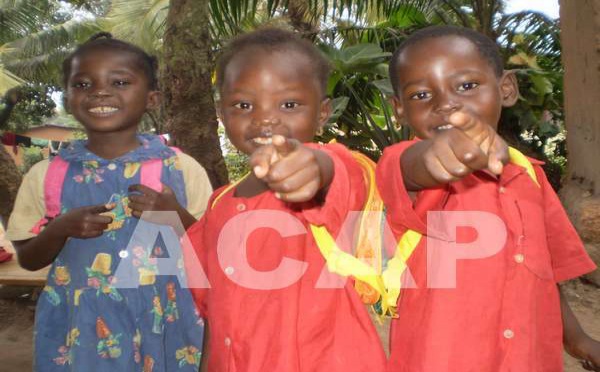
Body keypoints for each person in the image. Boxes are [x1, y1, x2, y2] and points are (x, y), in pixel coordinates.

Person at [377, 25, 600, 372]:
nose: (446, 104)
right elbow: (410, 167)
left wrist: (578, 340)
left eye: (466, 86)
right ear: (399, 109)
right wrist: (436, 155)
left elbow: (545, 275)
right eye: (421, 95)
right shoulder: (407, 167)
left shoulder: (531, 176)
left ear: (506, 88)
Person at [6, 33, 212, 371]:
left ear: (152, 98)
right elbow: (28, 259)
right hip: (81, 330)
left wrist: (174, 218)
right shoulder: (46, 175)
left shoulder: (180, 169)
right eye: (83, 84)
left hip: (165, 326)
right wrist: (58, 229)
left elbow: (210, 251)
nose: (100, 91)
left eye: (119, 81)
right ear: (69, 97)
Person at [185, 27, 387, 371]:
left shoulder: (332, 175)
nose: (265, 118)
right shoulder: (219, 205)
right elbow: (216, 315)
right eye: (244, 104)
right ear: (222, 113)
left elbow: (338, 172)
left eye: (289, 104)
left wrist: (314, 167)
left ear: (322, 113)